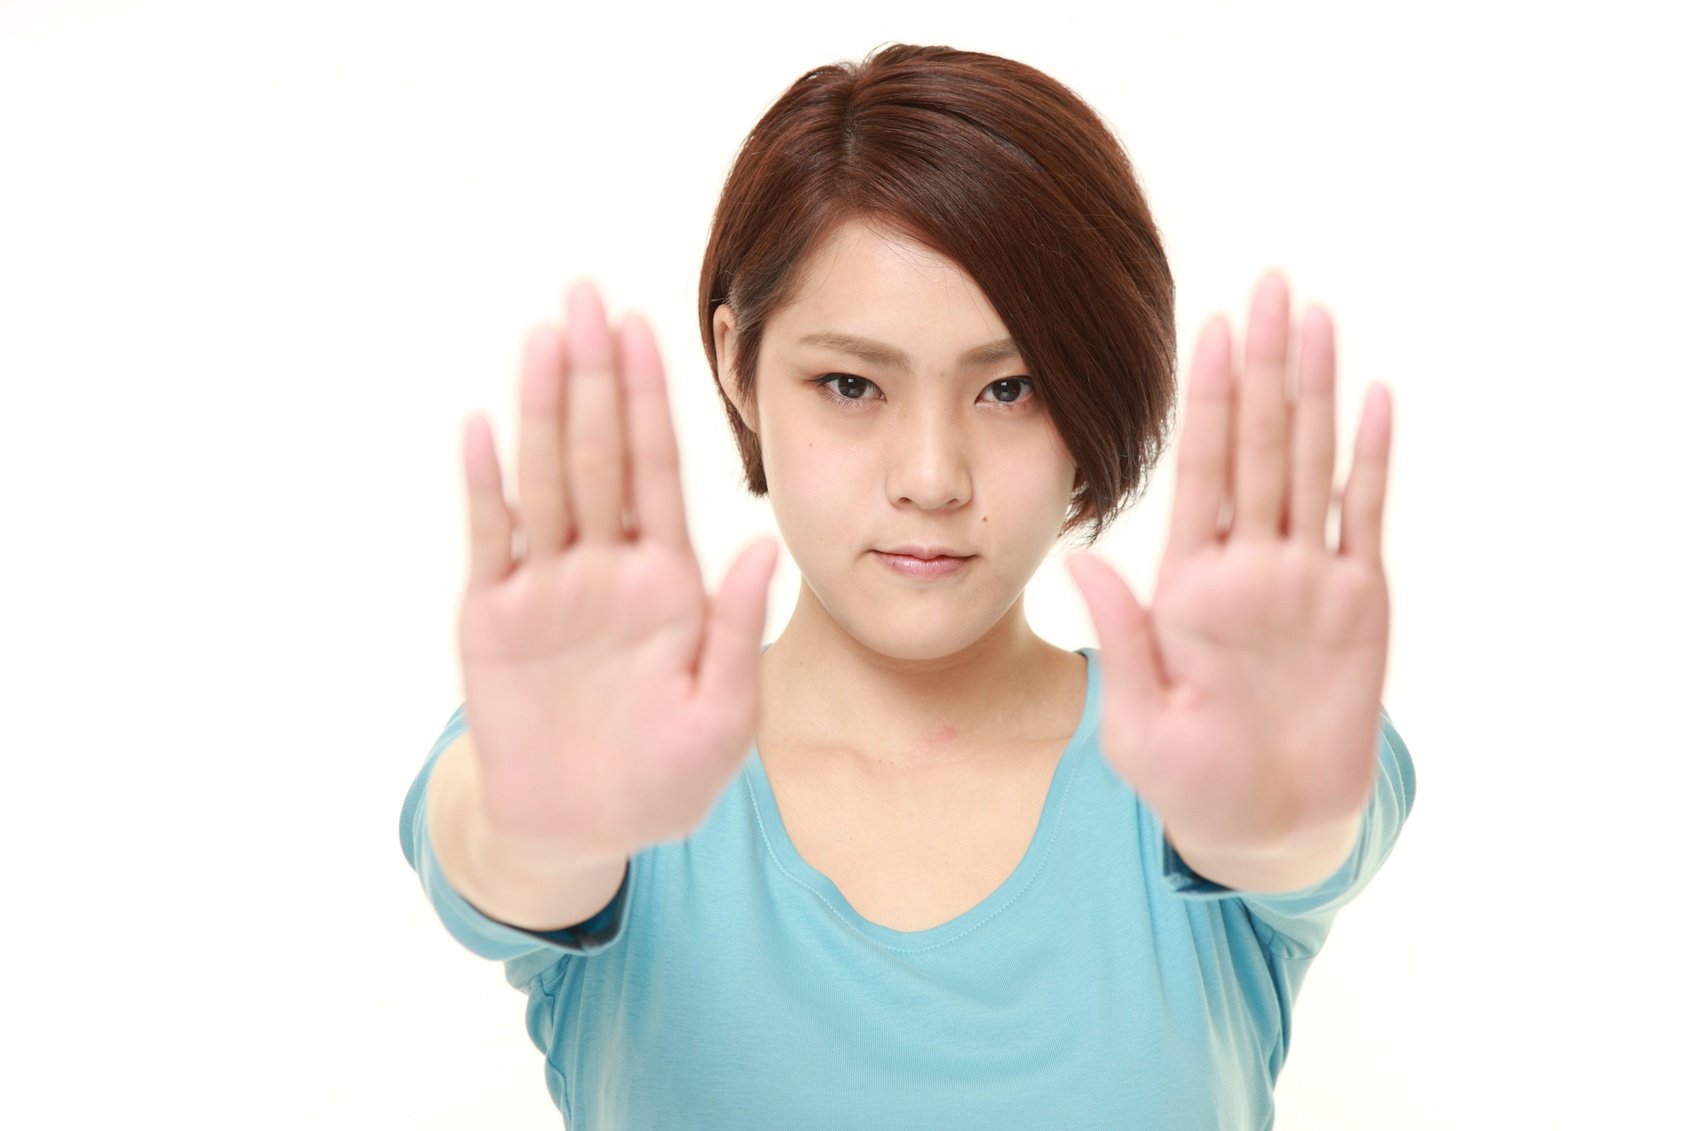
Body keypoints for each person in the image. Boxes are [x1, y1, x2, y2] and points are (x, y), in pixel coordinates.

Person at [399, 42, 1415, 1130]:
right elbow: (501, 850)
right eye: (850, 384)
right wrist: (540, 830)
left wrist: (1272, 822)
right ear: (738, 366)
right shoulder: (600, 750)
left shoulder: (1214, 747)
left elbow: (1295, 829)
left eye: (1009, 388)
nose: (931, 477)